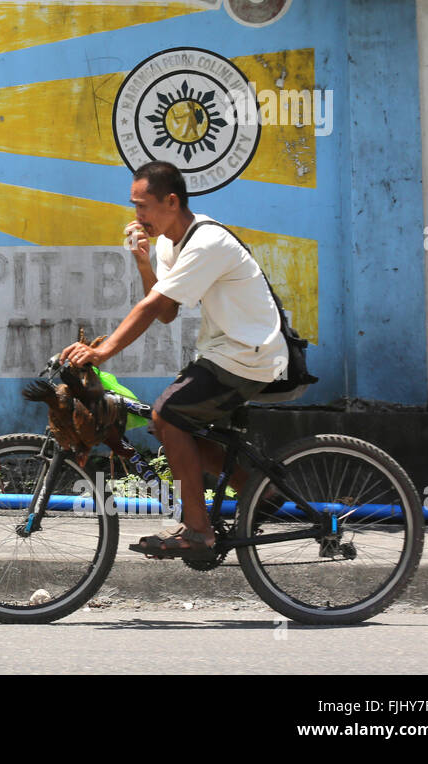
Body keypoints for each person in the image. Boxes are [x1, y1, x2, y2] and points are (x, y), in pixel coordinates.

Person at [57, 160, 287, 559]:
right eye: (134, 206)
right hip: (226, 352)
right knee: (175, 428)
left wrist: (102, 350)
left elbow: (154, 305)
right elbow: (168, 311)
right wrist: (143, 262)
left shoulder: (207, 241)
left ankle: (198, 530)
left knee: (166, 415)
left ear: (171, 201)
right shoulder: (168, 242)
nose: (137, 215)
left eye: (143, 206)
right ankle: (258, 489)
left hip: (250, 353)